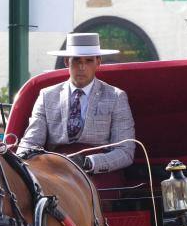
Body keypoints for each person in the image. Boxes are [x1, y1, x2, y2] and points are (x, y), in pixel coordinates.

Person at [17, 32, 135, 173]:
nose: (82, 67)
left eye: (88, 61)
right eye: (77, 60)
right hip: (55, 171)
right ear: (67, 62)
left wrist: (89, 162)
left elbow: (125, 152)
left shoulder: (116, 97)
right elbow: (31, 142)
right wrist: (20, 160)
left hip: (100, 173)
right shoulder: (47, 96)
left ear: (98, 62)